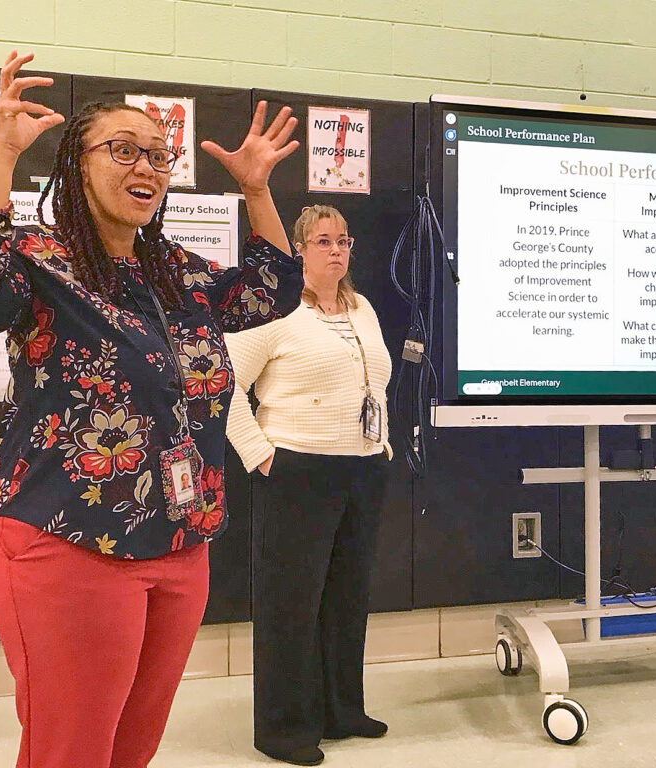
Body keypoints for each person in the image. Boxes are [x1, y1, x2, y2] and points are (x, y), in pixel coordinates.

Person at [0, 51, 302, 768]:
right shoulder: (41, 257)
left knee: (131, 750)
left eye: (158, 155)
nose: (147, 168)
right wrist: (4, 149)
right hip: (67, 537)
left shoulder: (174, 273)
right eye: (123, 150)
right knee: (71, 751)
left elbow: (271, 291)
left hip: (180, 542)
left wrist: (256, 191)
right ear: (76, 165)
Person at [225, 204, 393, 766]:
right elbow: (220, 386)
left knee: (347, 599)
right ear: (299, 249)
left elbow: (375, 381)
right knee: (290, 605)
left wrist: (382, 444)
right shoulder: (274, 315)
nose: (337, 250)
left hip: (362, 468)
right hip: (297, 471)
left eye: (344, 240)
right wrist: (260, 455)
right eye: (323, 241)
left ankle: (342, 710)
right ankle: (285, 729)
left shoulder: (362, 308)